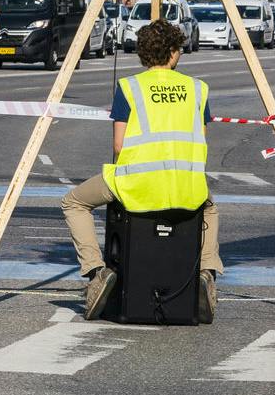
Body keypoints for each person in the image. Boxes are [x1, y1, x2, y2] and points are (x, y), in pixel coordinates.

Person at [63, 20, 223, 321]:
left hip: (137, 185)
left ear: (143, 54)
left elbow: (119, 145)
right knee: (210, 210)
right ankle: (206, 275)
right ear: (174, 52)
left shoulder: (129, 87)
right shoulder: (197, 89)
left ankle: (96, 273)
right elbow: (200, 137)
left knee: (74, 202)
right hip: (187, 186)